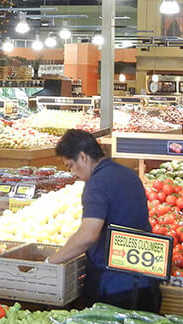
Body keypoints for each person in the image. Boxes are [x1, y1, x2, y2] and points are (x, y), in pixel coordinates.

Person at [47, 129, 159, 312]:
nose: (72, 172)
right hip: (147, 280)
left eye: (70, 165)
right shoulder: (129, 174)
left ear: (83, 157)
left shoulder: (96, 184)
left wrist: (51, 262)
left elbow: (88, 236)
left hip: (116, 287)